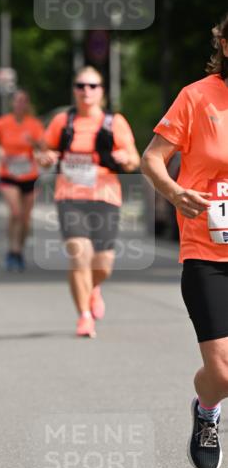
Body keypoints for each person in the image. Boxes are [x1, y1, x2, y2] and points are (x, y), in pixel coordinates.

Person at [141, 13, 228, 468]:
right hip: (207, 251)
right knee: (224, 371)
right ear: (225, 45)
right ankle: (207, 410)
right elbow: (152, 159)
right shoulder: (196, 97)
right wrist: (175, 192)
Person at [37, 66, 140, 338]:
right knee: (78, 254)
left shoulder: (114, 122)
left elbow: (134, 159)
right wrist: (45, 157)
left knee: (103, 264)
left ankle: (94, 288)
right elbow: (45, 150)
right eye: (81, 85)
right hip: (70, 197)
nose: (86, 91)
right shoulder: (63, 121)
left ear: (102, 91)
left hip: (105, 197)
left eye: (92, 86)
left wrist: (124, 160)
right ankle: (84, 315)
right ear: (74, 89)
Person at [0, 90, 45, 270]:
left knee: (26, 219)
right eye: (17, 101)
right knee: (16, 212)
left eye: (23, 101)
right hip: (8, 174)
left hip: (30, 175)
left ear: (27, 104)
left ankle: (19, 250)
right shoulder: (2, 123)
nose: (20, 105)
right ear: (13, 104)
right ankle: (12, 250)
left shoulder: (34, 125)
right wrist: (0, 158)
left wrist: (34, 143)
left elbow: (44, 147)